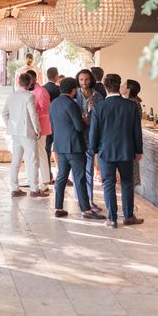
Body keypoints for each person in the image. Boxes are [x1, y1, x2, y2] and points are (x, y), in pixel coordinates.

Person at [89, 74, 144, 229]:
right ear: (119, 86)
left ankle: (112, 219)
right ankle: (128, 216)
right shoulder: (131, 106)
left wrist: (93, 150)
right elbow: (136, 131)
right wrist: (139, 150)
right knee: (127, 183)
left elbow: (94, 132)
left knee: (108, 184)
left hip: (105, 151)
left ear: (106, 87)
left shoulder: (98, 107)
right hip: (127, 150)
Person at [50, 78, 103, 220]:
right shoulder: (72, 104)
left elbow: (54, 125)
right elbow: (79, 127)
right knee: (79, 178)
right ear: (73, 90)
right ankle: (86, 210)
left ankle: (58, 207)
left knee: (61, 177)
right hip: (75, 146)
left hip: (60, 146)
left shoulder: (54, 103)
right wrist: (85, 120)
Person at [2, 74, 47, 198]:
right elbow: (33, 115)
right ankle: (34, 189)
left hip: (15, 132)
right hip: (27, 132)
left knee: (15, 161)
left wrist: (10, 125)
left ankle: (15, 188)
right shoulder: (29, 96)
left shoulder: (11, 96)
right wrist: (37, 129)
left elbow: (4, 113)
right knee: (33, 160)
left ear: (18, 82)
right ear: (29, 83)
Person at [75, 69, 105, 214]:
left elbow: (103, 116)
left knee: (89, 170)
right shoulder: (75, 95)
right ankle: (81, 200)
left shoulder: (98, 96)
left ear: (91, 80)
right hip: (77, 135)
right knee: (79, 170)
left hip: (92, 137)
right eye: (81, 80)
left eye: (86, 79)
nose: (84, 83)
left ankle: (89, 200)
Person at [27, 70, 51, 193]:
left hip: (41, 126)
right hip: (32, 126)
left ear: (35, 79)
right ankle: (33, 179)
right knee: (33, 154)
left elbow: (45, 110)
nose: (28, 81)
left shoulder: (41, 91)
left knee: (41, 153)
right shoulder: (29, 91)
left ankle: (45, 181)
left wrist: (33, 112)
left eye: (30, 78)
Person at [121, 79, 143, 188]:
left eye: (124, 85)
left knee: (130, 175)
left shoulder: (133, 103)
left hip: (130, 143)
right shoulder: (130, 102)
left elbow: (135, 125)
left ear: (128, 89)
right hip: (128, 142)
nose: (121, 86)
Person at [42, 68, 60, 184]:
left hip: (46, 122)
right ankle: (61, 174)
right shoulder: (58, 89)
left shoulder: (43, 89)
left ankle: (47, 175)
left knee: (46, 150)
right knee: (59, 149)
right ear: (56, 76)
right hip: (57, 123)